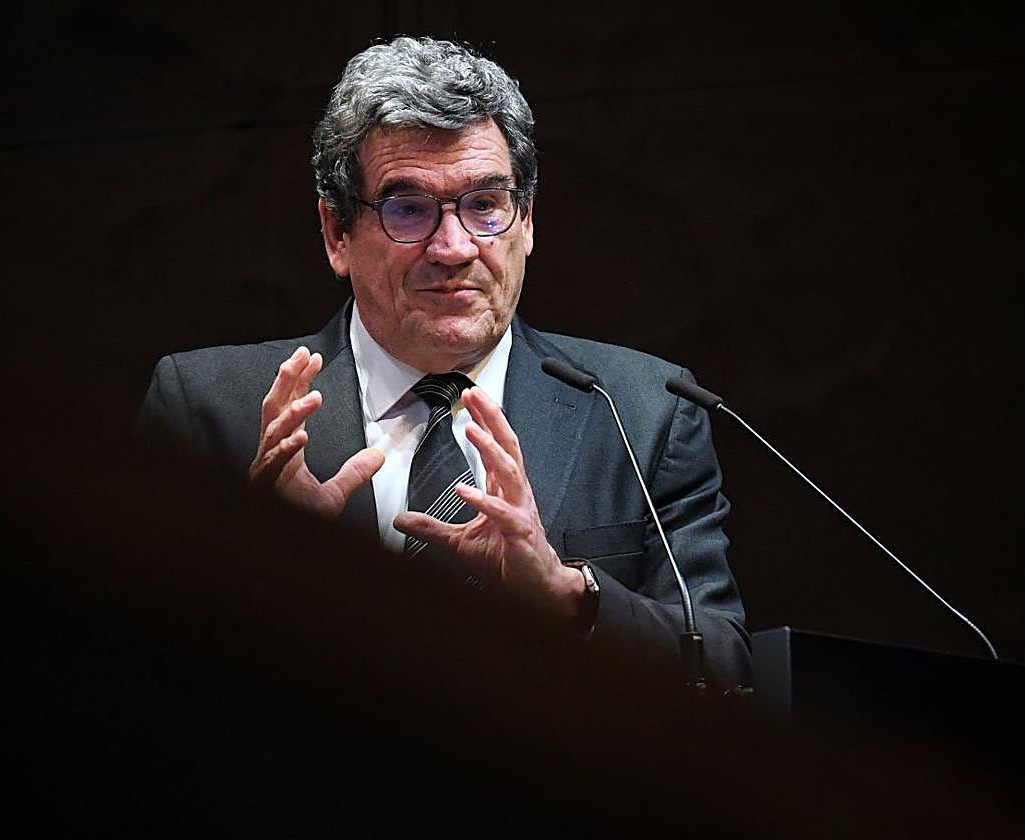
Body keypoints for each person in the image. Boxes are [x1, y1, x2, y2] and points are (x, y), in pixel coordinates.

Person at [138, 36, 749, 688]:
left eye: (485, 205)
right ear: (337, 234)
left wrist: (568, 596)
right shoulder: (210, 410)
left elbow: (724, 667)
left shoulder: (643, 411)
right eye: (408, 210)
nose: (453, 248)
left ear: (526, 221)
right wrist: (263, 568)